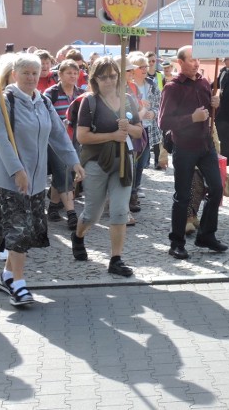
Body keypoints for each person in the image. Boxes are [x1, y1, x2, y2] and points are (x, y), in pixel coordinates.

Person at [0, 53, 84, 307]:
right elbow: (1, 139)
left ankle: (7, 276)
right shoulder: (3, 102)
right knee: (18, 231)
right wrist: (17, 170)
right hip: (9, 178)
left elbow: (58, 133)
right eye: (25, 72)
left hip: (36, 179)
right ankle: (19, 284)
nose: (30, 77)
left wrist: (73, 161)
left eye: (35, 73)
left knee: (24, 231)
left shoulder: (43, 102)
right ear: (14, 74)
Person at [71, 57, 143, 277]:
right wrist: (112, 134)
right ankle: (79, 235)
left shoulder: (128, 99)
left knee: (120, 211)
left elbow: (139, 131)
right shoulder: (90, 102)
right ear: (95, 79)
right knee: (92, 214)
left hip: (123, 162)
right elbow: (82, 135)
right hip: (97, 163)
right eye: (104, 77)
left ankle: (116, 259)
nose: (109, 80)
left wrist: (128, 127)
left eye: (113, 75)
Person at [158, 45, 226, 260]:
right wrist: (191, 118)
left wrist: (216, 104)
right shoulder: (172, 88)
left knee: (216, 188)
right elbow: (163, 122)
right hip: (184, 147)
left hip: (205, 145)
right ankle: (176, 242)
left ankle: (206, 235)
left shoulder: (204, 82)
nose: (197, 63)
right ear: (180, 62)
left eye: (198, 59)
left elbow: (208, 112)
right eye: (191, 60)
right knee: (183, 196)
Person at [43, 59, 85, 230]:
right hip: (55, 141)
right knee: (64, 172)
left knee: (66, 172)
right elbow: (44, 116)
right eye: (69, 73)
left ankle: (53, 207)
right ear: (59, 74)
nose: (73, 76)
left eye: (76, 73)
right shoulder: (50, 93)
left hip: (76, 139)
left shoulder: (81, 94)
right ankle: (71, 213)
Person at [125, 52, 161, 211]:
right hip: (133, 129)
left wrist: (153, 112)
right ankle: (130, 193)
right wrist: (141, 107)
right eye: (141, 66)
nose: (145, 69)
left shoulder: (152, 84)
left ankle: (136, 187)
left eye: (146, 66)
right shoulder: (128, 85)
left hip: (148, 128)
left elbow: (160, 105)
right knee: (133, 161)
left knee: (143, 162)